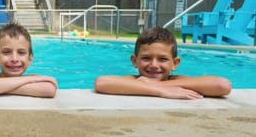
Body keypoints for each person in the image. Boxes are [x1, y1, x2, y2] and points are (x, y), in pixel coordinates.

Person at [94, 27, 232, 99]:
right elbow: (101, 82)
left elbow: (222, 85)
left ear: (175, 63)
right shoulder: (135, 80)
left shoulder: (178, 80)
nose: (154, 65)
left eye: (163, 59)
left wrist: (157, 83)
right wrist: (160, 90)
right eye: (146, 58)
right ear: (134, 61)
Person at [0, 22, 57, 98]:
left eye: (21, 53)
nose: (14, 59)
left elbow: (49, 90)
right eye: (6, 52)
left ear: (30, 59)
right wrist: (30, 80)